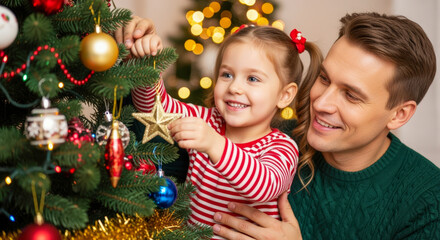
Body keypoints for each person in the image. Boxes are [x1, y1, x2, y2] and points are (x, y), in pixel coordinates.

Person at [211, 12, 440, 239]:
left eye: (351, 95)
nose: (321, 103)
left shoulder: (427, 201)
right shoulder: (265, 139)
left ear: (399, 114)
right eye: (324, 78)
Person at [130, 25, 322, 239]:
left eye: (252, 79)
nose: (234, 88)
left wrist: (215, 144)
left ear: (285, 95)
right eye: (227, 74)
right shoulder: (206, 121)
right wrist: (144, 64)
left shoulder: (282, 146)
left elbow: (263, 187)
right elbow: (155, 108)